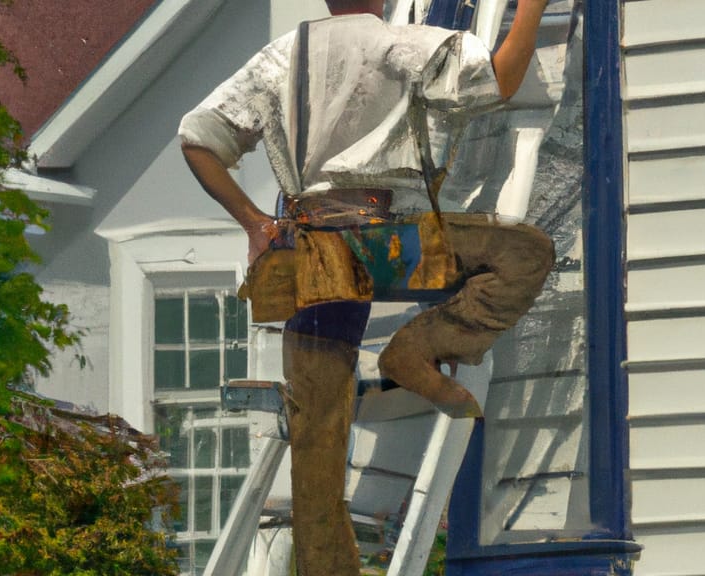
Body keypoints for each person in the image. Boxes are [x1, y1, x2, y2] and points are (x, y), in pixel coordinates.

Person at [179, 1, 553, 573]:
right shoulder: (400, 44)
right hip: (392, 247)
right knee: (525, 252)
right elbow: (501, 80)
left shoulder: (282, 55)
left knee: (318, 437)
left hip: (316, 255)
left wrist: (256, 224)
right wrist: (531, 6)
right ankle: (420, 347)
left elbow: (198, 139)